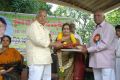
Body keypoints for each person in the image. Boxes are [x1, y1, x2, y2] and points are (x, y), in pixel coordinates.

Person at [80, 10, 116, 80]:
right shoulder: (95, 28)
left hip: (105, 61)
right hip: (95, 60)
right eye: (94, 16)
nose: (96, 17)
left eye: (98, 15)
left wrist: (87, 50)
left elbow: (104, 44)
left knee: (107, 78)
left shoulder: (109, 27)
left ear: (104, 17)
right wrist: (83, 46)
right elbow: (91, 42)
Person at [26, 9, 55, 80]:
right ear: (36, 17)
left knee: (47, 78)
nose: (43, 18)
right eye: (41, 16)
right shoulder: (33, 26)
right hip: (37, 60)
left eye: (45, 16)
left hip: (46, 58)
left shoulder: (45, 29)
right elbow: (38, 40)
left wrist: (52, 43)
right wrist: (52, 44)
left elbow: (49, 42)